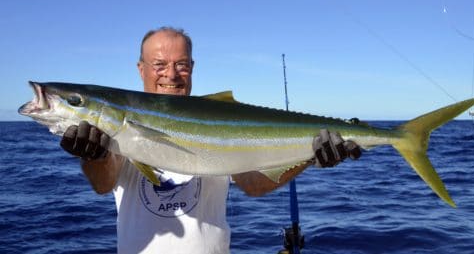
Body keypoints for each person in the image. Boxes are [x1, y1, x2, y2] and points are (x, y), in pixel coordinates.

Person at [59, 27, 361, 254]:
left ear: (192, 68)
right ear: (141, 69)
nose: (172, 75)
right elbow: (103, 183)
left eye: (182, 64)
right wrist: (93, 156)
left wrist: (310, 155)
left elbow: (254, 185)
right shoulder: (121, 126)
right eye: (159, 64)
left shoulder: (223, 119)